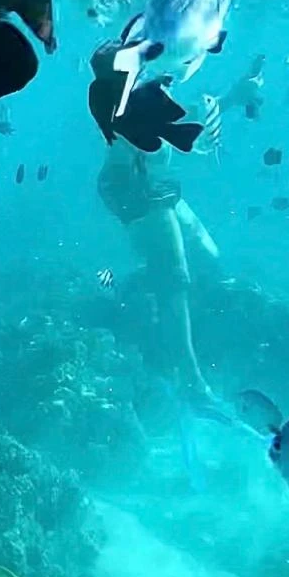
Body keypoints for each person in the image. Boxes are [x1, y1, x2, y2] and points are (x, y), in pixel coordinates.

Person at [90, 36, 219, 412]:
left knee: (208, 255)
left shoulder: (126, 96)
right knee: (174, 280)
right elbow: (160, 149)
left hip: (150, 186)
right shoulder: (122, 107)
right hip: (136, 192)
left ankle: (137, 288)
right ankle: (192, 381)